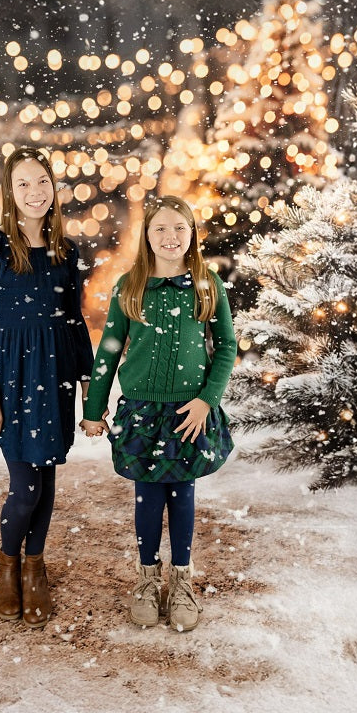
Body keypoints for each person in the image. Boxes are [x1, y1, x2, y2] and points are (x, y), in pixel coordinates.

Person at [80, 195, 236, 632]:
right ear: (147, 236)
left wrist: (207, 400)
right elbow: (108, 352)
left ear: (192, 235)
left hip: (190, 410)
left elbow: (226, 346)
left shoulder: (208, 285)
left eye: (179, 229)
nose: (170, 237)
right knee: (147, 495)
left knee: (182, 493)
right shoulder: (131, 285)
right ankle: (147, 578)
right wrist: (94, 409)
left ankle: (181, 580)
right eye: (160, 229)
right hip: (142, 409)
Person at [0, 147, 93, 628]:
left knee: (47, 474)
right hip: (10, 379)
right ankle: (8, 562)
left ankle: (35, 569)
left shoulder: (66, 251)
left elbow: (73, 319)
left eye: (42, 182)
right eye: (23, 184)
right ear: (9, 193)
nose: (34, 193)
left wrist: (87, 383)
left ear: (54, 188)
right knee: (25, 486)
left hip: (53, 374)